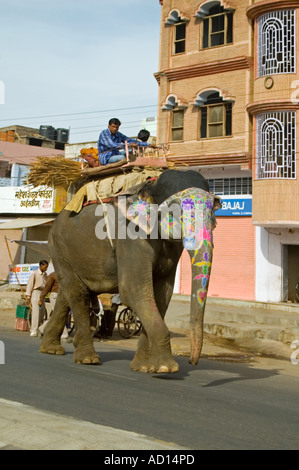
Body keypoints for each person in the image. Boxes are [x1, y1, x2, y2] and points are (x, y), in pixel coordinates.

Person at [38, 271, 70, 341]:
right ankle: (64, 335)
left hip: (63, 296)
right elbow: (47, 288)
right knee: (60, 314)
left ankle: (42, 328)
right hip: (55, 296)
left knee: (55, 315)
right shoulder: (52, 275)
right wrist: (41, 298)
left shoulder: (66, 275)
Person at [25, 260, 49, 337]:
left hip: (42, 293)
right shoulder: (34, 273)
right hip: (36, 292)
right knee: (36, 312)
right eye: (45, 267)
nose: (46, 269)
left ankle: (38, 328)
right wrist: (28, 296)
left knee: (42, 312)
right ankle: (33, 330)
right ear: (41, 266)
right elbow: (30, 285)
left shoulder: (45, 274)